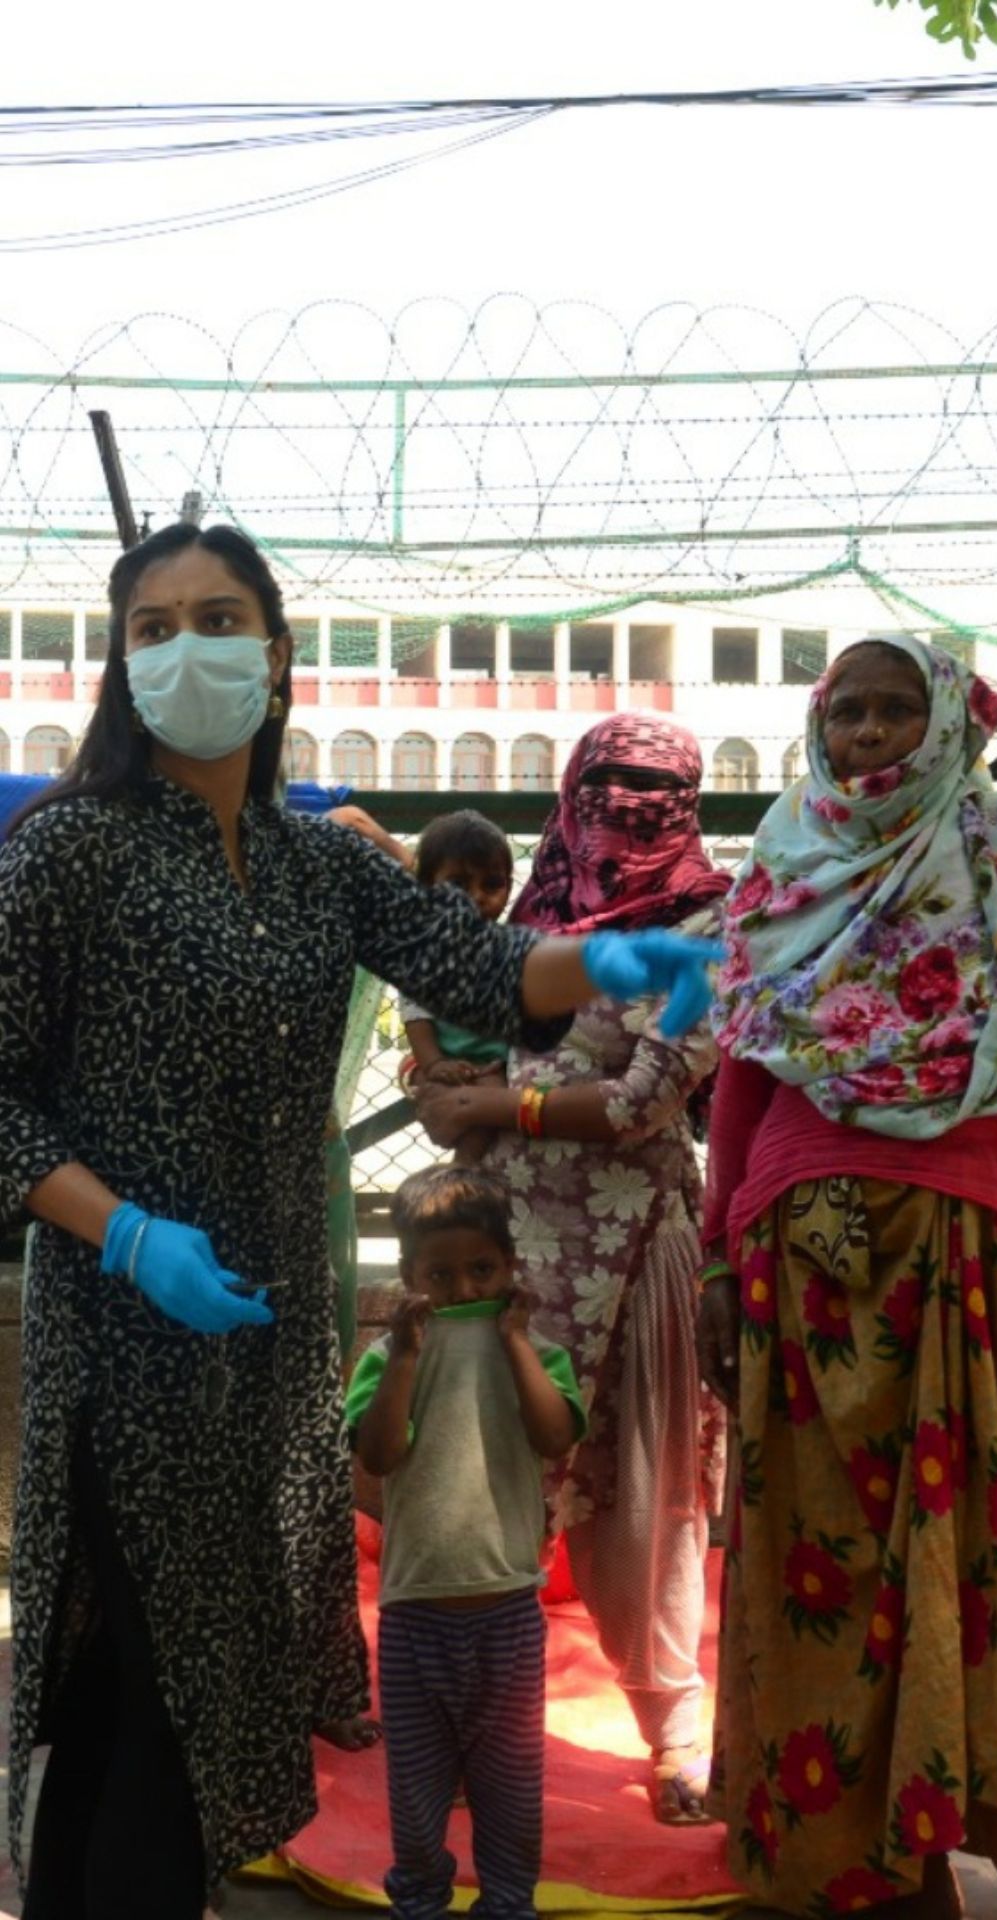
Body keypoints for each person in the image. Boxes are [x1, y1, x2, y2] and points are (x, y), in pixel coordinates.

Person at [0, 521, 721, 1920]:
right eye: (151, 628)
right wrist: (128, 1235)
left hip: (268, 1357)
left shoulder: (316, 862)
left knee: (202, 1701)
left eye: (216, 619)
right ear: (118, 665)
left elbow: (484, 962)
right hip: (125, 1351)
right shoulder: (69, 853)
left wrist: (614, 954)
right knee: (140, 1692)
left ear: (274, 661)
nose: (183, 648)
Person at [698, 635, 997, 1920]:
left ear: (948, 720)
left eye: (895, 709)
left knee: (963, 1545)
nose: (867, 734)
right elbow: (744, 1077)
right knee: (816, 1555)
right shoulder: (785, 860)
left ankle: (948, 1838)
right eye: (845, 711)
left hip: (971, 1248)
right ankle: (826, 1851)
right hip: (796, 1259)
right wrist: (713, 1258)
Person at [417, 713, 730, 1825]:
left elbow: (651, 1098)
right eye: (606, 782)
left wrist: (490, 1103)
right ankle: (466, 1728)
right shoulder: (530, 919)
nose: (627, 806)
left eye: (655, 785)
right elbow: (447, 1058)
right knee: (487, 1490)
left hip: (636, 1245)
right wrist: (446, 1088)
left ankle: (678, 1737)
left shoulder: (708, 918)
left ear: (687, 799)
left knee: (649, 1506)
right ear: (569, 792)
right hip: (509, 1253)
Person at [347, 1165, 585, 1920]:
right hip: (415, 1614)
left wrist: (515, 1340)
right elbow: (378, 1455)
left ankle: (508, 1903)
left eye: (480, 1268)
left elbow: (554, 1436)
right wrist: (407, 1356)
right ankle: (420, 1900)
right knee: (416, 1794)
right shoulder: (389, 1361)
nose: (460, 1288)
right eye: (438, 1274)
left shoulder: (537, 1353)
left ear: (511, 1268)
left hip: (508, 1612)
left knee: (511, 1787)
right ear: (410, 1276)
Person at [401, 810, 515, 1164]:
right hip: (445, 1060)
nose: (477, 897)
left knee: (491, 1101)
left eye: (492, 885)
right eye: (458, 885)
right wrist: (434, 1063)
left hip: (496, 1065)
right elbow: (415, 1016)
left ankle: (462, 1171)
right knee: (444, 1099)